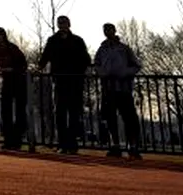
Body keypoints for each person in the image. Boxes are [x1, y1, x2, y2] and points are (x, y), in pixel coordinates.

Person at [38, 15, 91, 154]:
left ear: (69, 24)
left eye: (64, 22)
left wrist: (81, 72)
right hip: (60, 80)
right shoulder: (53, 40)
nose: (62, 25)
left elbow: (86, 59)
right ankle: (62, 143)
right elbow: (45, 57)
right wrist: (38, 68)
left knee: (74, 113)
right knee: (60, 113)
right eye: (59, 23)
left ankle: (72, 144)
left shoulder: (77, 41)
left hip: (75, 81)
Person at [94, 23, 142, 159]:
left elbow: (136, 65)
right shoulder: (102, 49)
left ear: (114, 31)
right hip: (108, 89)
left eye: (109, 29)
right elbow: (96, 64)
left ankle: (133, 146)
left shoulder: (124, 48)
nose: (107, 32)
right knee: (110, 118)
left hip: (124, 89)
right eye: (105, 30)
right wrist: (102, 73)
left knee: (129, 117)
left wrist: (125, 73)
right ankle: (115, 145)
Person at [0, 27, 28, 151]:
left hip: (19, 81)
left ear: (4, 36)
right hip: (7, 82)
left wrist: (12, 69)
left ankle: (17, 139)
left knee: (20, 111)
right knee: (6, 111)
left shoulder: (12, 47)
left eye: (0, 35)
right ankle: (9, 140)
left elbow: (23, 64)